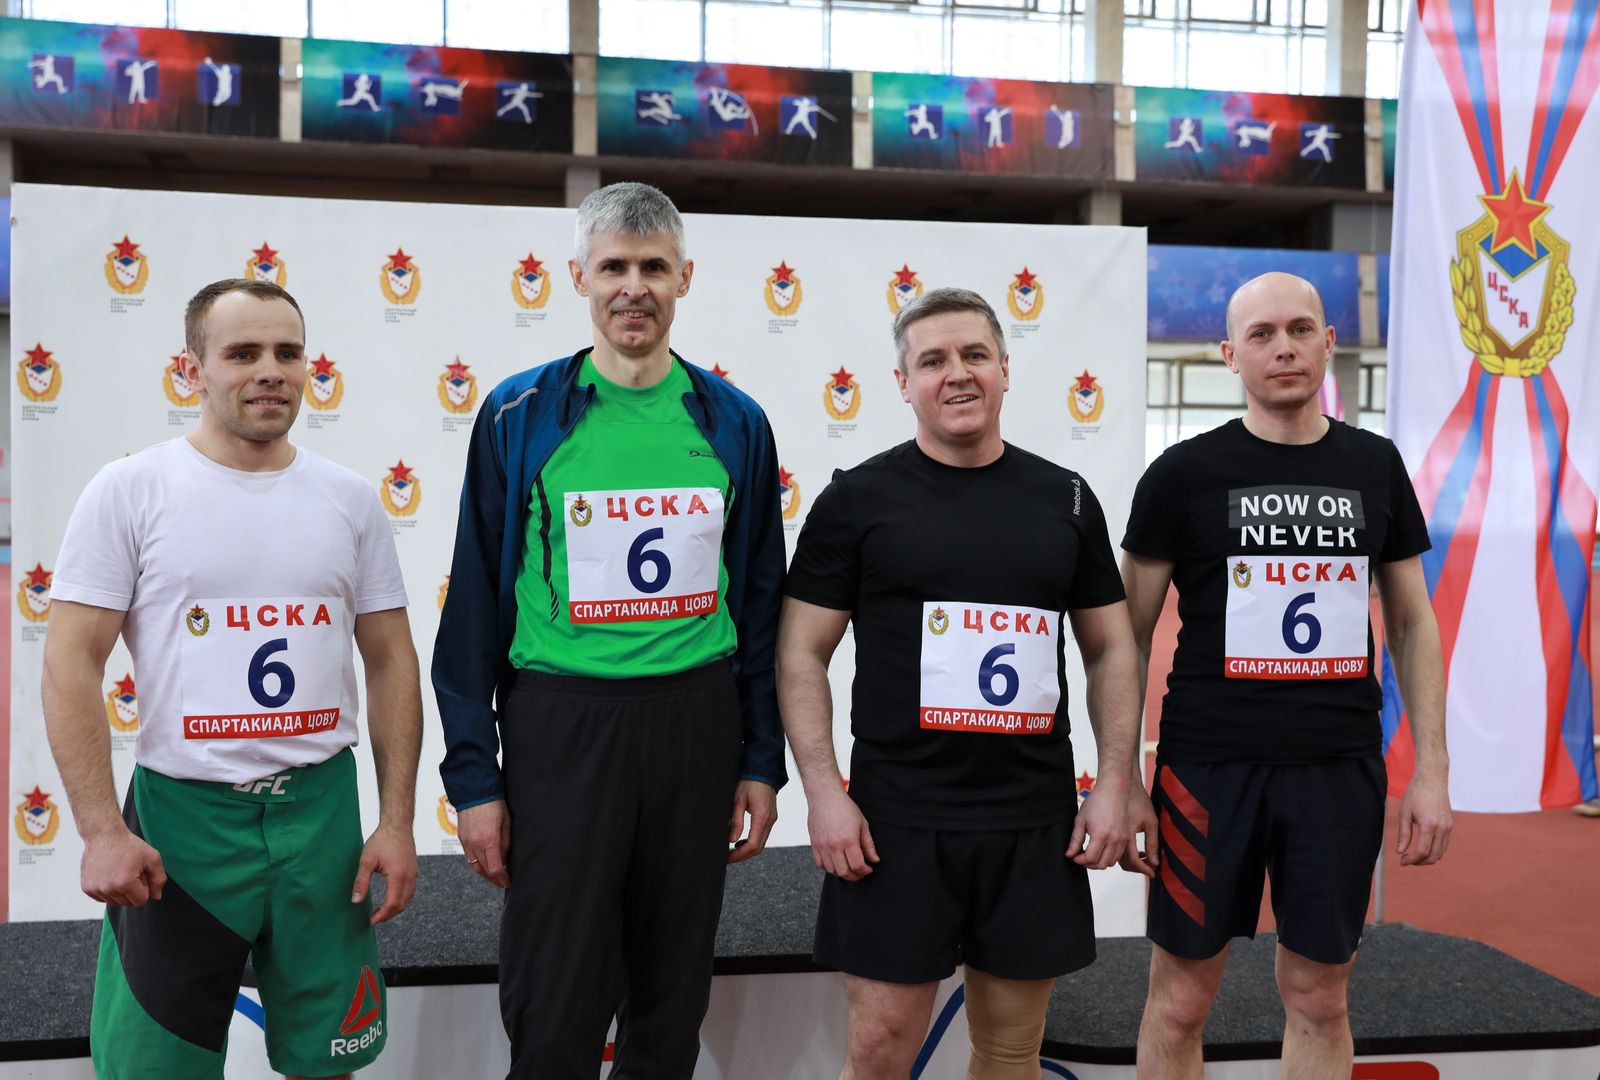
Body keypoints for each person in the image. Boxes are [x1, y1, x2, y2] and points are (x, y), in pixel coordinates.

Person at [434, 181, 787, 1079]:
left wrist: (759, 758)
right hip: (562, 726)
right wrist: (473, 777)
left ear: (684, 279)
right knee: (554, 1000)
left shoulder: (737, 422)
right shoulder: (517, 413)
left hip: (695, 724)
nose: (635, 288)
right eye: (615, 268)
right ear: (578, 277)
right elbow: (472, 609)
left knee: (670, 1000)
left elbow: (758, 608)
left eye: (654, 268)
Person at [43, 279, 422, 1080]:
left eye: (288, 353)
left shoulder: (350, 500)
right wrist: (101, 830)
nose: (270, 371)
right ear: (192, 370)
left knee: (329, 1060)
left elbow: (390, 660)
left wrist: (395, 821)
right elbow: (71, 661)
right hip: (183, 827)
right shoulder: (131, 490)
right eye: (243, 353)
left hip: (320, 819)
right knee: (154, 1068)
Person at [779, 287, 1141, 1079]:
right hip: (897, 821)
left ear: (1005, 368)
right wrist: (823, 793)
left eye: (975, 355)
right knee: (879, 1048)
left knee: (1010, 1053)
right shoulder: (855, 501)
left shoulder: (1065, 497)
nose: (958, 373)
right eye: (933, 360)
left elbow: (1112, 647)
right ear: (903, 383)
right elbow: (801, 650)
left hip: (1031, 819)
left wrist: (1116, 781)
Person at [1120, 272, 1452, 1080]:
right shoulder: (1181, 474)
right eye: (1261, 335)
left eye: (1301, 329)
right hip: (1206, 770)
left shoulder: (1374, 465)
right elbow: (1123, 634)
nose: (1284, 348)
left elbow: (1412, 622)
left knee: (1320, 997)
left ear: (1328, 343)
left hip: (1336, 771)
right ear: (1229, 354)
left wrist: (1432, 770)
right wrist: (1121, 775)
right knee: (1180, 999)